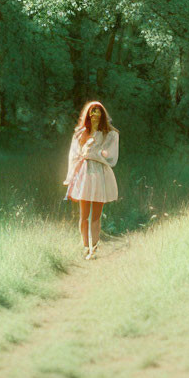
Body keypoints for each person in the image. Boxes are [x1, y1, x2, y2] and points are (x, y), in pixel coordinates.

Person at [63, 100, 119, 259]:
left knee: (96, 216)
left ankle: (94, 248)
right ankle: (85, 247)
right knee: (83, 216)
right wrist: (71, 176)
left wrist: (103, 153)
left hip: (100, 173)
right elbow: (73, 155)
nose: (95, 114)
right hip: (84, 174)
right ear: (88, 114)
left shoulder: (108, 134)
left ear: (102, 114)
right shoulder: (81, 133)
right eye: (92, 111)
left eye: (98, 111)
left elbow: (111, 153)